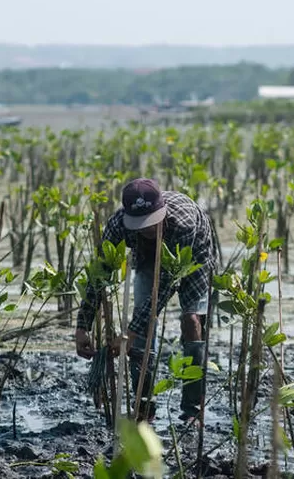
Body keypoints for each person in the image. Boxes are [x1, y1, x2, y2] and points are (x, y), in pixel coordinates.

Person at [75, 178, 216, 423]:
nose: (148, 228)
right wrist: (82, 325)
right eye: (141, 224)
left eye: (152, 222)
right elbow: (99, 273)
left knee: (191, 319)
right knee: (142, 330)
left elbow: (162, 290)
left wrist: (129, 333)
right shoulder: (119, 226)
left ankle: (193, 410)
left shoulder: (183, 224)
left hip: (193, 253)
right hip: (146, 254)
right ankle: (144, 407)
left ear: (162, 210)